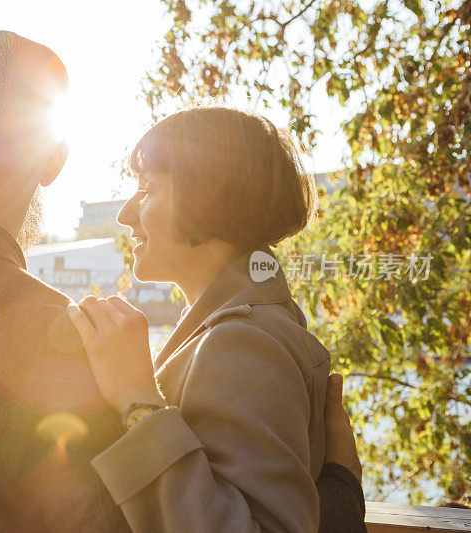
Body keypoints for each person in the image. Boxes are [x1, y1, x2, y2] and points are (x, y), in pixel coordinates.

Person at [0, 29, 364, 531]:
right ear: (54, 161)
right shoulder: (66, 337)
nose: (128, 212)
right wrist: (338, 493)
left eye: (147, 189)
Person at [66, 106, 366, 532]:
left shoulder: (244, 342)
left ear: (205, 198)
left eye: (147, 189)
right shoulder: (243, 326)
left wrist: (137, 399)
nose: (125, 214)